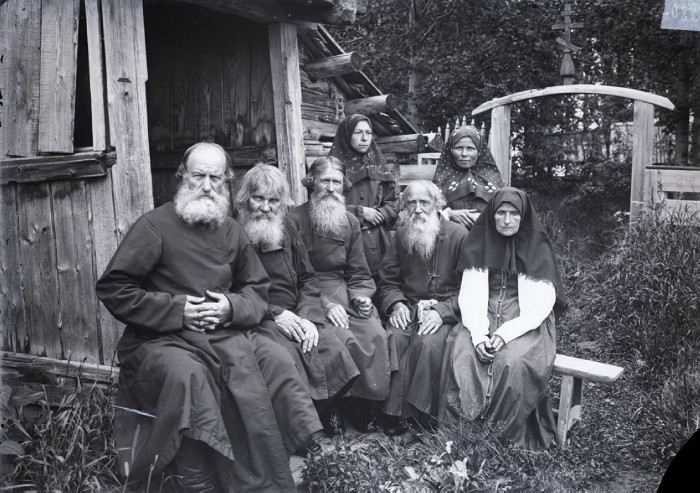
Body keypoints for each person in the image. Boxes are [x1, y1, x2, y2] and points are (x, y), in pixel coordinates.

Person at [96, 143, 322, 492]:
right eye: (198, 176)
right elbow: (115, 288)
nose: (206, 186)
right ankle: (197, 478)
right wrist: (177, 310)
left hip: (223, 332)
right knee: (187, 375)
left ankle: (275, 463)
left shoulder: (232, 230)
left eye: (215, 178)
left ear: (227, 181)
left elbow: (256, 288)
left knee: (276, 359)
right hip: (161, 338)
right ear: (182, 176)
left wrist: (230, 307)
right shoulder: (154, 225)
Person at [236, 164, 360, 434]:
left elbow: (307, 278)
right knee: (287, 358)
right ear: (245, 199)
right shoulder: (234, 232)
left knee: (333, 348)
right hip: (260, 316)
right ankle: (297, 431)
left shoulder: (288, 228)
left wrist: (309, 317)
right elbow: (232, 290)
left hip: (299, 311)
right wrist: (275, 313)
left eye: (273, 201)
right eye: (258, 199)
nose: (265, 207)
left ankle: (317, 415)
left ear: (282, 203)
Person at [441, 187, 567, 449]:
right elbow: (470, 294)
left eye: (514, 214)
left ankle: (502, 437)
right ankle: (464, 434)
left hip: (526, 319)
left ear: (523, 216)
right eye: (501, 213)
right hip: (481, 312)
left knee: (512, 360)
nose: (507, 220)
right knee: (464, 355)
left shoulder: (538, 245)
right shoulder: (479, 241)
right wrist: (479, 335)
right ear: (492, 215)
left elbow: (541, 305)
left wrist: (504, 334)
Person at [286, 156, 397, 431]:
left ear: (344, 185)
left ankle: (361, 402)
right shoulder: (292, 220)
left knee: (374, 333)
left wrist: (361, 295)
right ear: (311, 183)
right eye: (324, 181)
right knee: (341, 338)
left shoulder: (349, 221)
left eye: (336, 182)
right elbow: (291, 276)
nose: (331, 188)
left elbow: (359, 271)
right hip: (307, 295)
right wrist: (323, 305)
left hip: (343, 290)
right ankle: (333, 405)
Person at [377, 180, 469, 434]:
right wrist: (396, 304)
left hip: (447, 311)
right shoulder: (400, 236)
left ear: (437, 204)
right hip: (410, 307)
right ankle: (394, 412)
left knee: (427, 343)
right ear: (404, 207)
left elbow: (470, 289)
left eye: (424, 202)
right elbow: (388, 281)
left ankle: (422, 416)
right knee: (394, 337)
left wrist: (442, 312)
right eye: (411, 203)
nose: (417, 209)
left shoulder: (459, 235)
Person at [328, 114, 398, 277]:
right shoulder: (330, 170)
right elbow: (323, 207)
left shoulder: (378, 165)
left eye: (368, 133)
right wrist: (360, 213)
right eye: (358, 132)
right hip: (344, 240)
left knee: (383, 282)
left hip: (378, 240)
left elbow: (393, 202)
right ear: (346, 135)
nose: (365, 138)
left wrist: (381, 214)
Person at [432, 125, 504, 230]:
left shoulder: (493, 181)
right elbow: (427, 214)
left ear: (479, 151)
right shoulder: (440, 181)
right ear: (451, 150)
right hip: (451, 236)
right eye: (458, 148)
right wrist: (449, 214)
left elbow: (507, 213)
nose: (464, 154)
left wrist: (484, 217)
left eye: (470, 148)